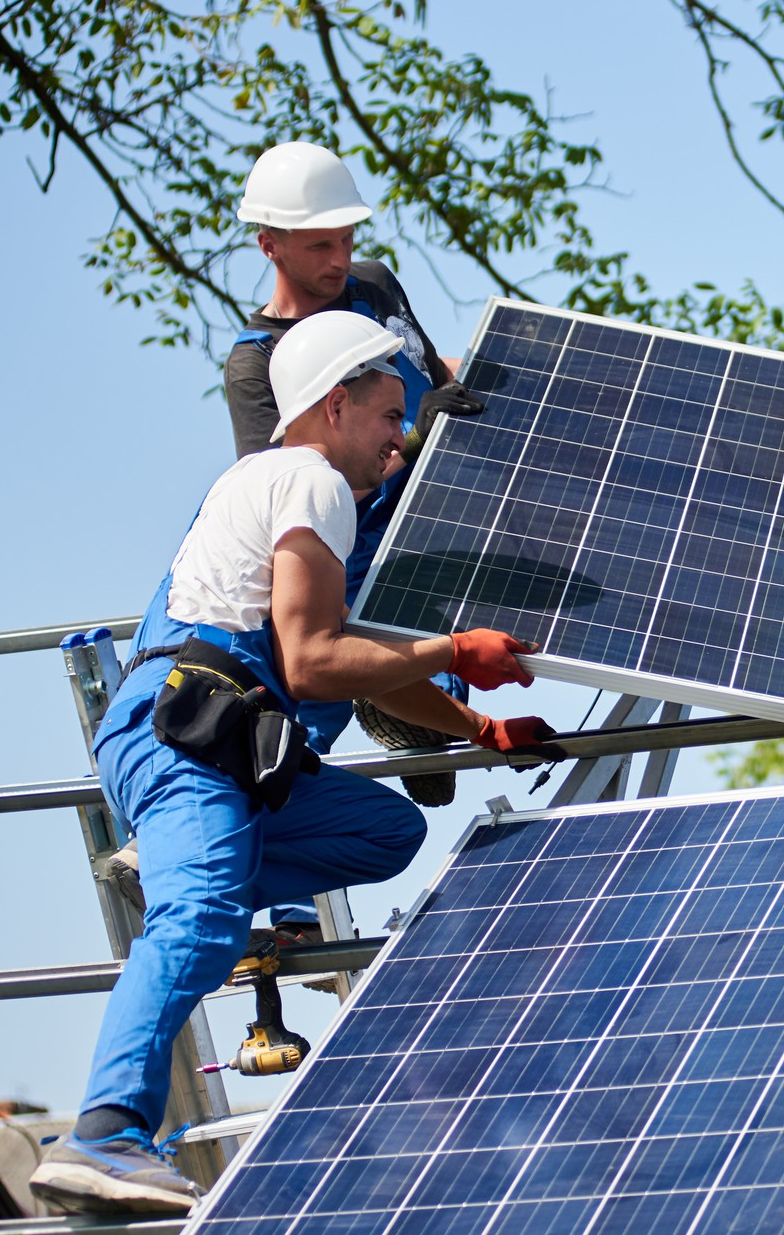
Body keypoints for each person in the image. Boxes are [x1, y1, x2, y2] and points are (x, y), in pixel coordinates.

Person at [29, 313, 556, 1215]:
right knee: (200, 921)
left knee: (383, 828)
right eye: (389, 416)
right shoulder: (312, 481)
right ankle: (106, 1133)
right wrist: (453, 648)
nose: (399, 440)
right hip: (188, 736)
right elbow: (313, 662)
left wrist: (477, 726)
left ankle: (192, 867)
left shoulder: (267, 484)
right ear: (335, 404)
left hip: (216, 739)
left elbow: (356, 659)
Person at [226, 139, 480, 810]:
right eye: (319, 245)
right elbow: (286, 495)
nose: (340, 258)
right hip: (357, 554)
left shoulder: (372, 284)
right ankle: (277, 874)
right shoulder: (258, 364)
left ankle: (418, 720)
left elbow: (433, 373)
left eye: (347, 237)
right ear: (269, 245)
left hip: (448, 511)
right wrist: (415, 437)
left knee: (453, 669)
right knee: (308, 694)